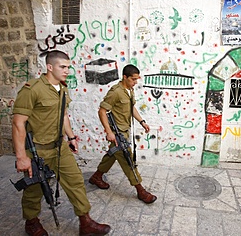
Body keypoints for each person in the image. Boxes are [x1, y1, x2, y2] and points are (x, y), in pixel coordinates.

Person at [12, 50, 111, 236]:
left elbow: (63, 115)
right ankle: (32, 222)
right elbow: (18, 123)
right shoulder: (32, 89)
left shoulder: (62, 89)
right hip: (37, 151)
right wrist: (21, 156)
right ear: (50, 67)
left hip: (60, 147)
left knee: (75, 182)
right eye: (62, 67)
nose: (67, 70)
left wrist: (71, 137)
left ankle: (86, 222)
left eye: (68, 67)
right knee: (35, 189)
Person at [89, 64, 157, 204]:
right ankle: (141, 191)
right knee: (128, 160)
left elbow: (131, 107)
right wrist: (109, 132)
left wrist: (142, 122)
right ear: (125, 77)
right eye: (133, 79)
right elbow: (102, 111)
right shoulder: (115, 92)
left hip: (125, 130)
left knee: (112, 154)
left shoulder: (129, 90)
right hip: (117, 133)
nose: (135, 82)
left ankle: (97, 176)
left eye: (137, 79)